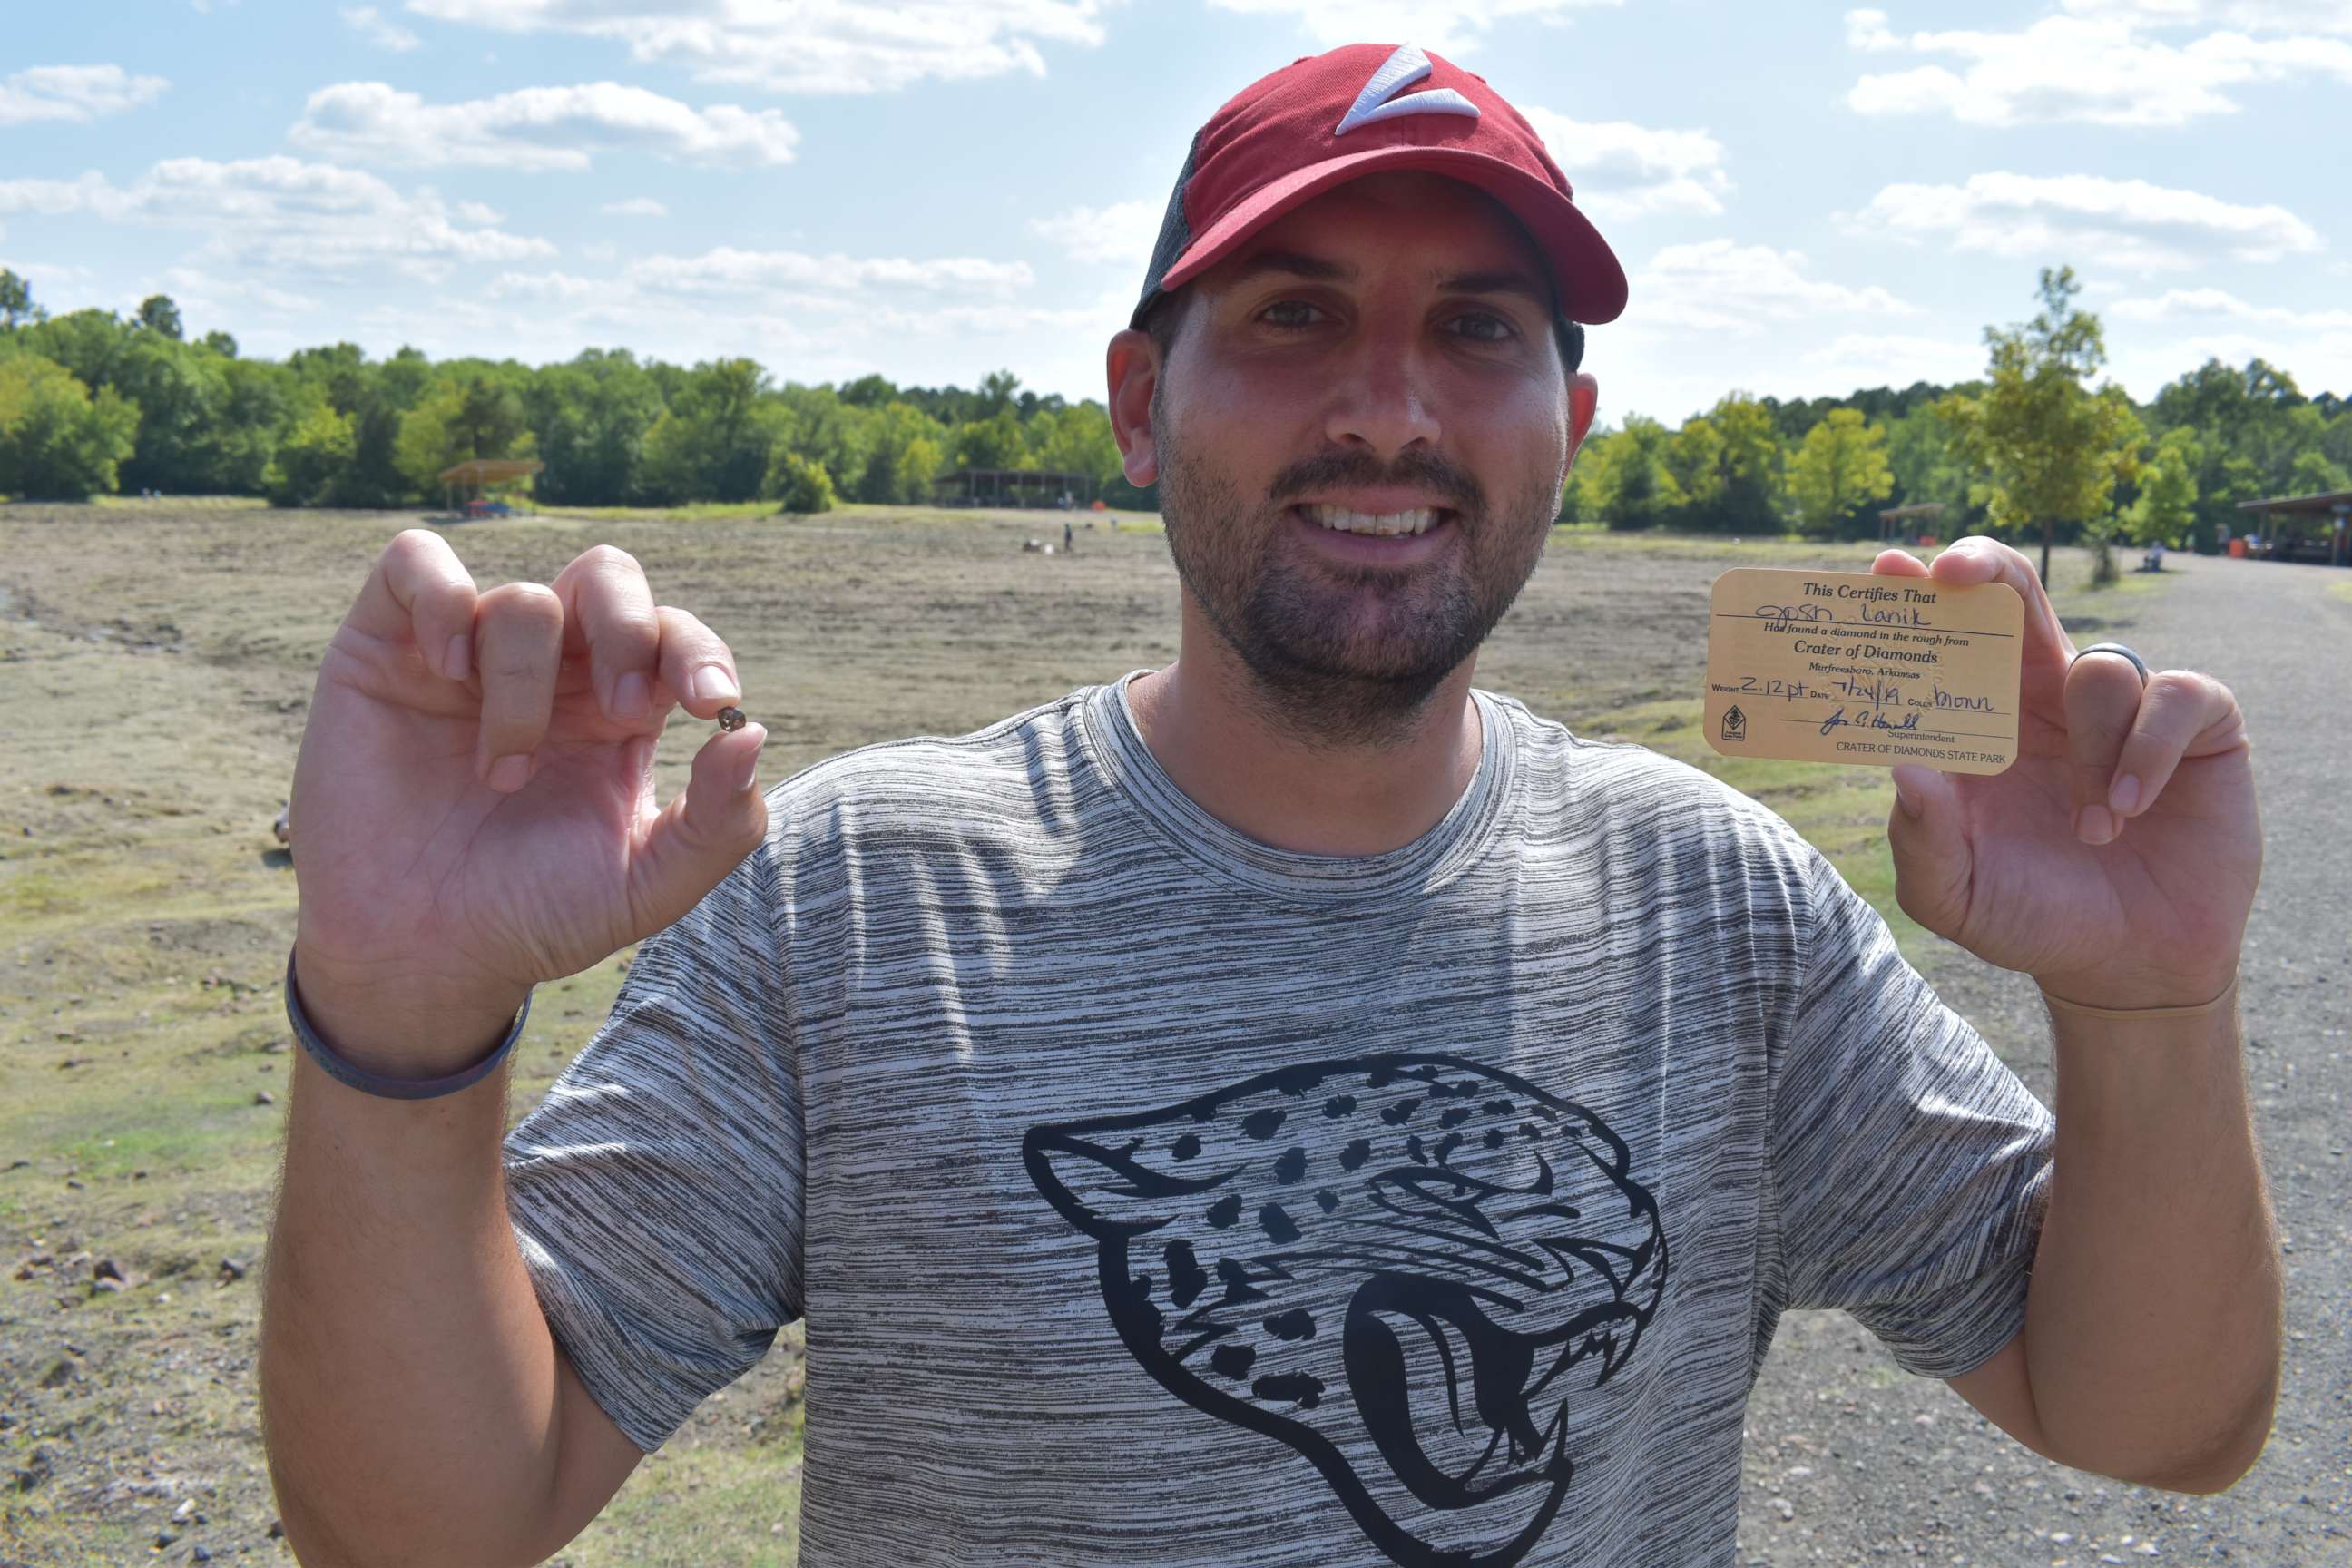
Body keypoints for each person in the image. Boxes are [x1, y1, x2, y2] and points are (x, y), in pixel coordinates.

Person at [255, 41, 2278, 1568]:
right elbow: (435, 1518)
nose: (1389, 407)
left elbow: (2158, 1422)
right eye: (1296, 312)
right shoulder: (861, 904)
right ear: (1142, 404)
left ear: (1566, 430)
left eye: (1476, 331)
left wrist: (2152, 1006)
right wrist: (401, 1013)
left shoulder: (1716, 909)